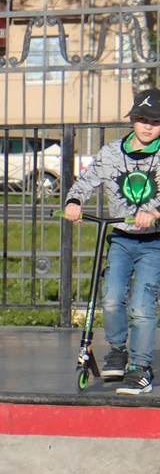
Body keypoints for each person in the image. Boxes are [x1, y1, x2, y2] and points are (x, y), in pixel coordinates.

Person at [63, 89, 160, 392]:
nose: (147, 126)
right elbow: (87, 180)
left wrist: (154, 212)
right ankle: (117, 350)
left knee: (142, 307)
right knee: (111, 297)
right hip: (121, 238)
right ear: (132, 119)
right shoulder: (111, 152)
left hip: (153, 242)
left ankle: (141, 366)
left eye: (155, 122)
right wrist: (75, 201)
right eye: (142, 119)